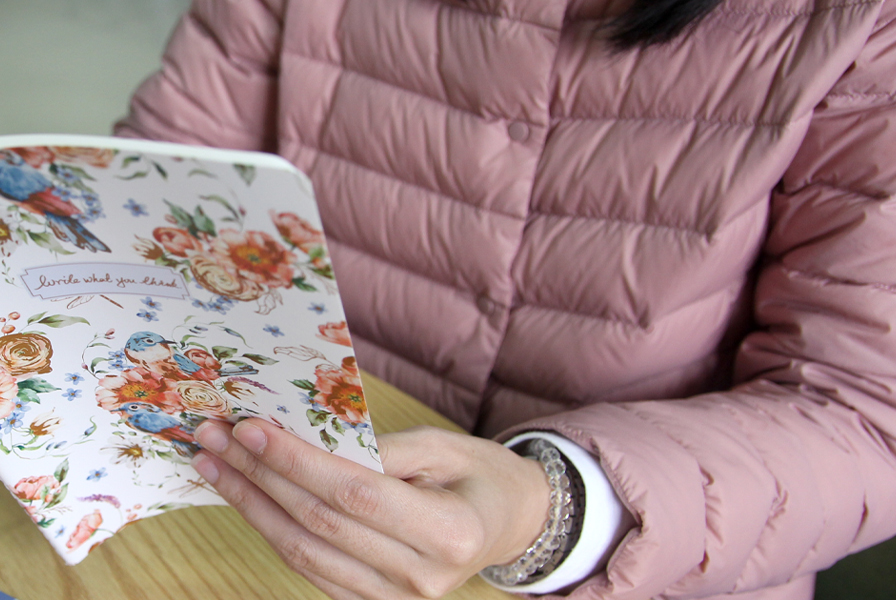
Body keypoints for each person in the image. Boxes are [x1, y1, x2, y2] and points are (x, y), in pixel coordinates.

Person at [114, 1, 896, 599]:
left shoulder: (864, 28)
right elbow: (159, 201)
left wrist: (550, 510)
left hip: (655, 564)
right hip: (264, 519)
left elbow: (865, 409)